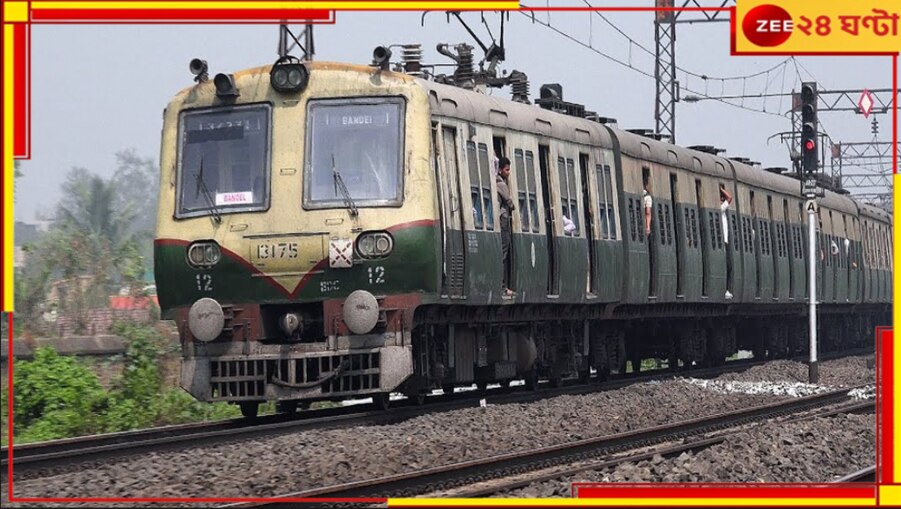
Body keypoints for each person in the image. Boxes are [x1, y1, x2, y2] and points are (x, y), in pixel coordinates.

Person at [496, 156, 515, 296]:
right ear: (501, 170)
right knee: (503, 253)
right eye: (507, 170)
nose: (508, 172)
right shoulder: (500, 184)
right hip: (503, 221)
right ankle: (502, 286)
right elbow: (509, 202)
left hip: (501, 219)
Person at [720, 184, 734, 300]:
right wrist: (720, 189)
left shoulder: (722, 209)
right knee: (727, 266)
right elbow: (730, 198)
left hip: (725, 241)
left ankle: (727, 290)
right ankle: (725, 290)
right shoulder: (720, 208)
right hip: (723, 241)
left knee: (728, 266)